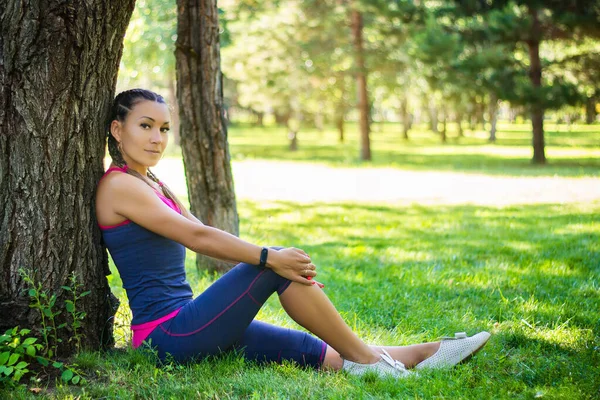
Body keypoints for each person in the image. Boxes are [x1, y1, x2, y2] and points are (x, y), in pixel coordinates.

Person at [95, 88, 490, 379]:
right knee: (275, 265)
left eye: (163, 128)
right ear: (117, 129)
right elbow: (197, 240)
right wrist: (269, 259)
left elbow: (204, 230)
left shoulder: (152, 183)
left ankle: (424, 352)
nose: (156, 138)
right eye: (145, 126)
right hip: (165, 337)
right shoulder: (119, 186)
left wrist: (273, 262)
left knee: (317, 353)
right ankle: (372, 362)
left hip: (194, 324)